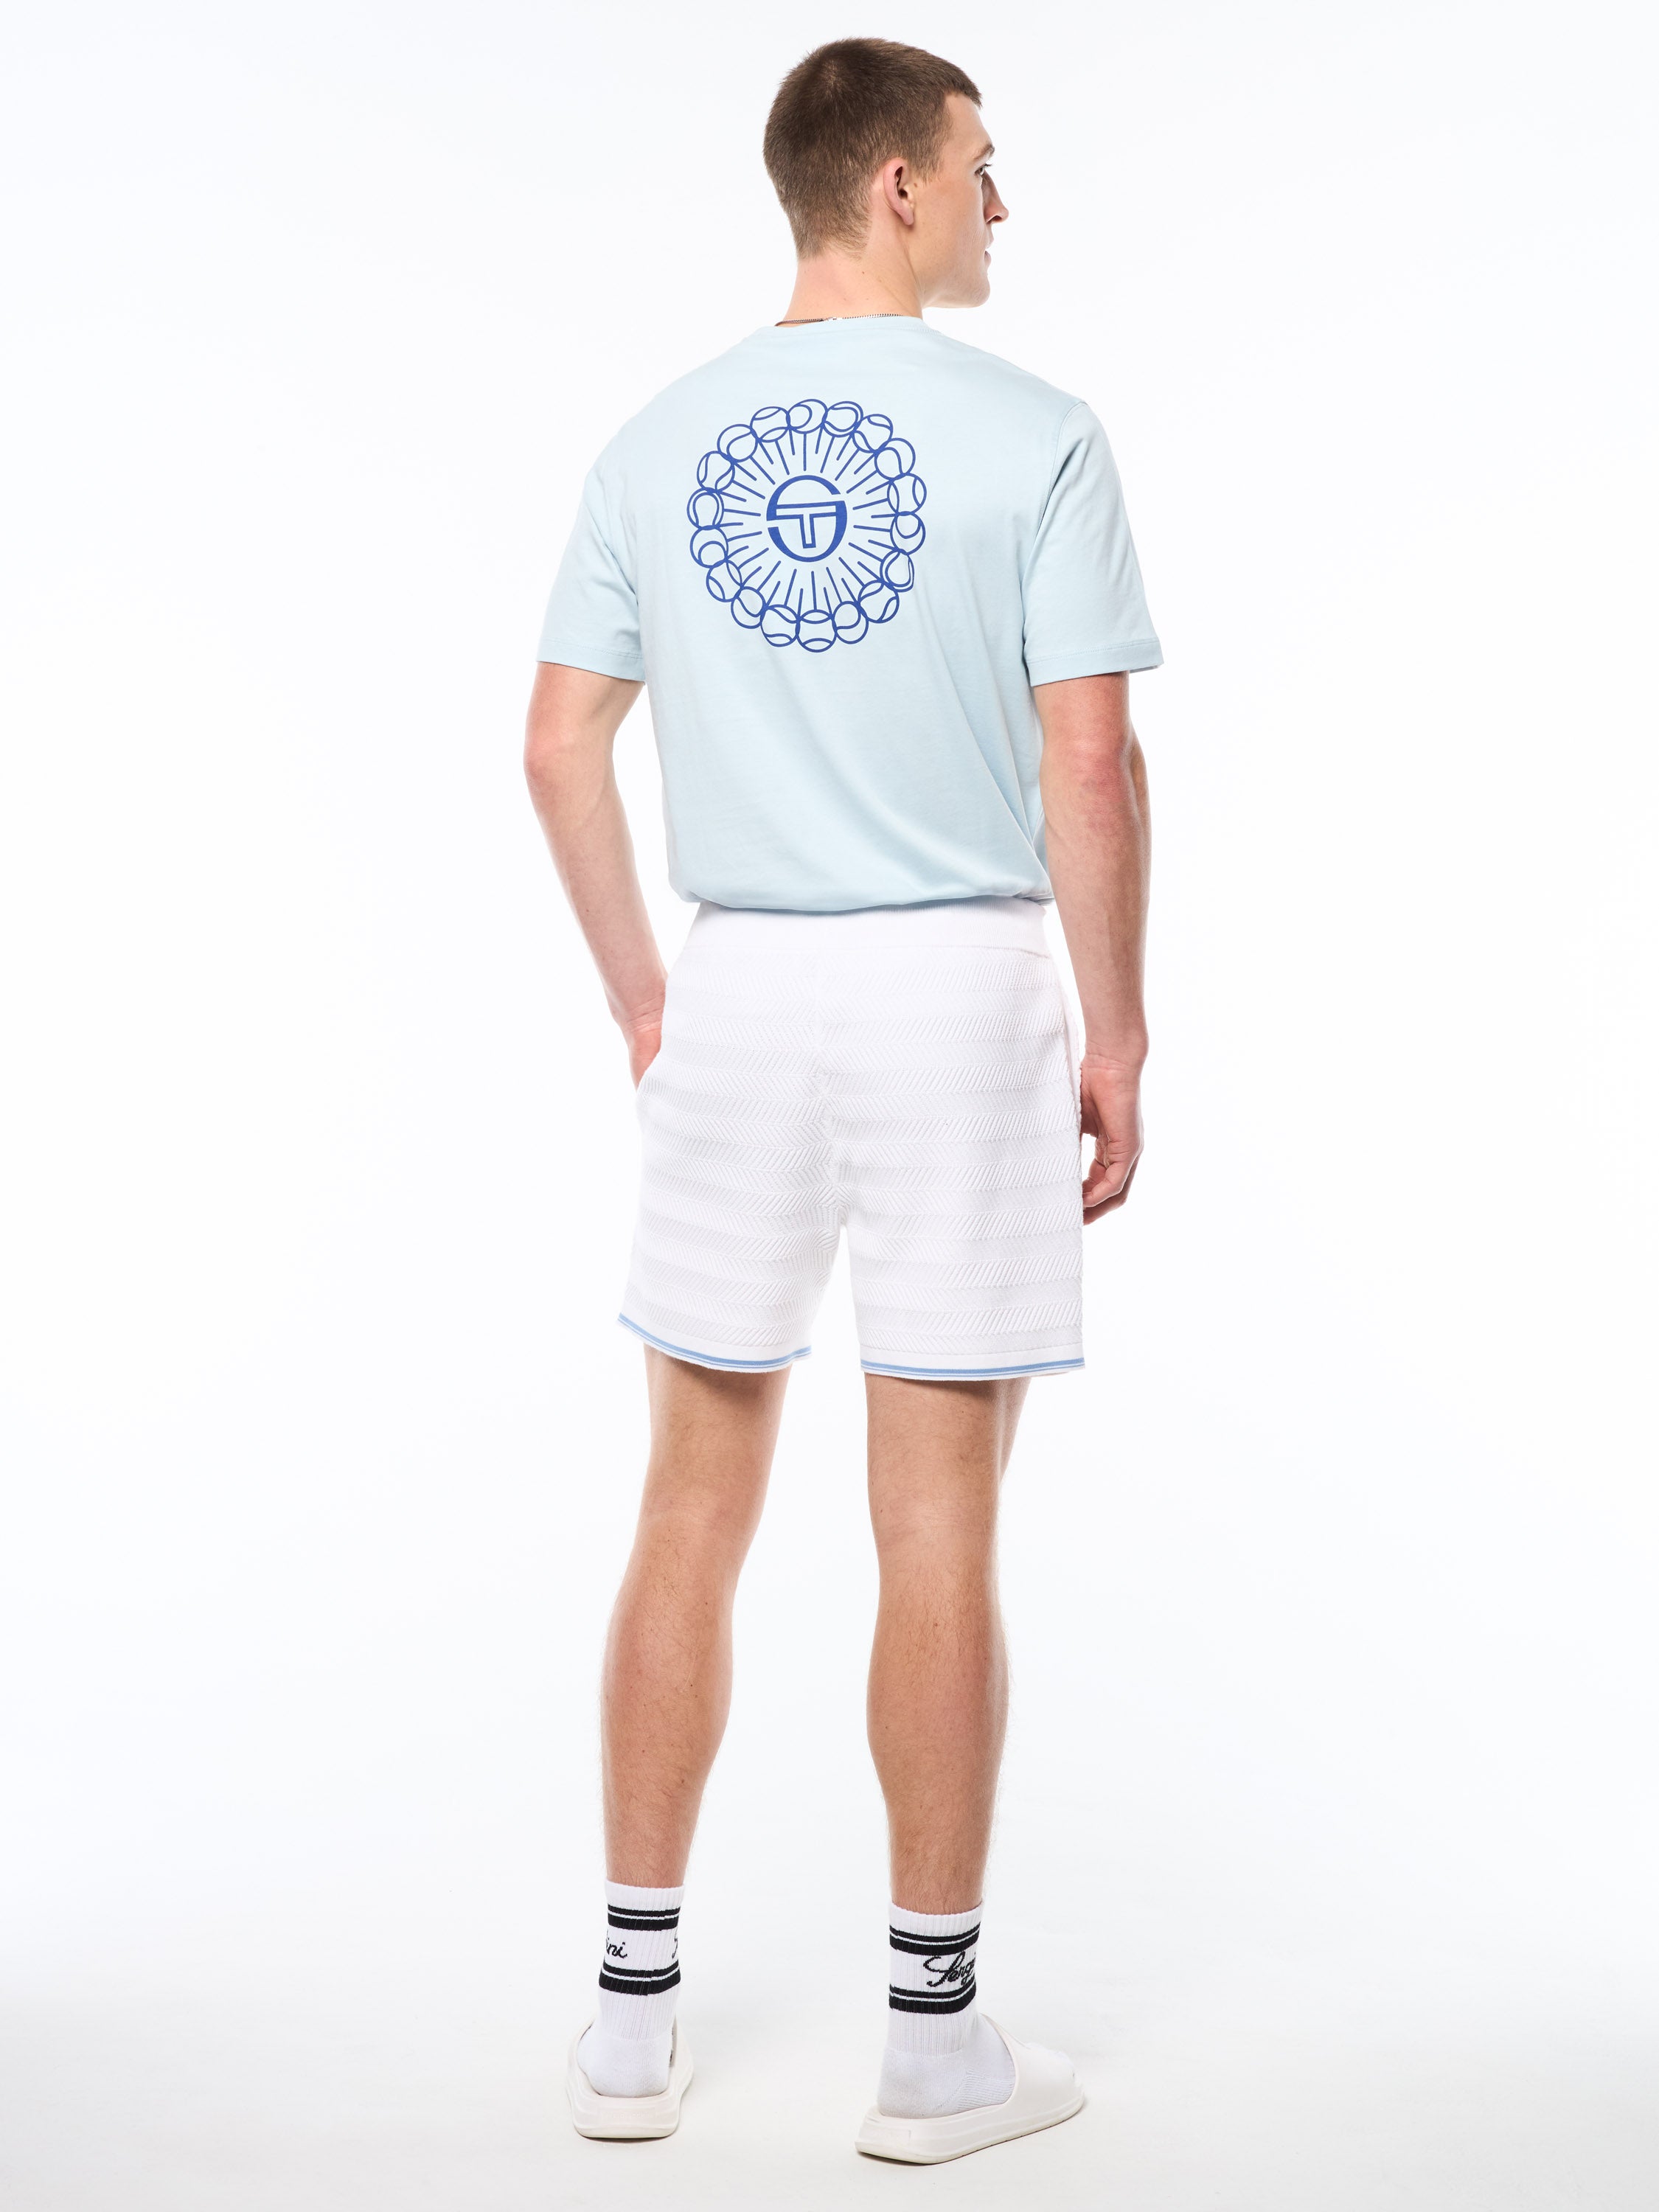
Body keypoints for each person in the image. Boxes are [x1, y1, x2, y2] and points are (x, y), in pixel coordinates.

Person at [524, 35, 1160, 2165]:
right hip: (952, 990)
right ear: (897, 185)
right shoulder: (1036, 437)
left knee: (686, 1502)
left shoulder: (654, 438)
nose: (1001, 203)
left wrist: (649, 999)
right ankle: (933, 2048)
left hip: (740, 984)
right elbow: (1090, 766)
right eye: (982, 166)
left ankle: (628, 2033)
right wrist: (1117, 1032)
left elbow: (556, 745)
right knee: (937, 1520)